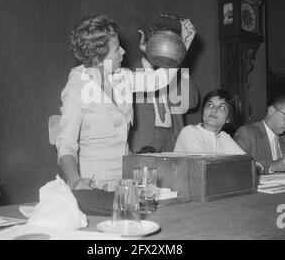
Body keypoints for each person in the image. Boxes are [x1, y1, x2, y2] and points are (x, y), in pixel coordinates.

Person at [56, 15, 196, 191]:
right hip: (93, 185)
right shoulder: (76, 87)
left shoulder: (122, 77)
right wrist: (76, 181)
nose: (123, 51)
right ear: (98, 59)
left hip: (126, 179)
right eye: (116, 50)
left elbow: (158, 80)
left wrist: (182, 45)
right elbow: (66, 144)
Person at [129, 22, 199, 153]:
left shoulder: (173, 73)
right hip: (143, 143)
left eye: (170, 43)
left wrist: (180, 55)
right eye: (160, 41)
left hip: (173, 138)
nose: (165, 47)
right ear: (146, 43)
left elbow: (191, 103)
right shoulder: (130, 74)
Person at [174, 89, 246, 155]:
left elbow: (246, 162)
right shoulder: (190, 132)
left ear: (228, 119)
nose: (214, 109)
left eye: (221, 107)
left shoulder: (223, 137)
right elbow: (202, 165)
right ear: (203, 112)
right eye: (210, 105)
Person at [234, 93, 285, 174]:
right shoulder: (247, 133)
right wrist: (273, 166)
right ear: (271, 110)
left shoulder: (282, 140)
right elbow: (236, 167)